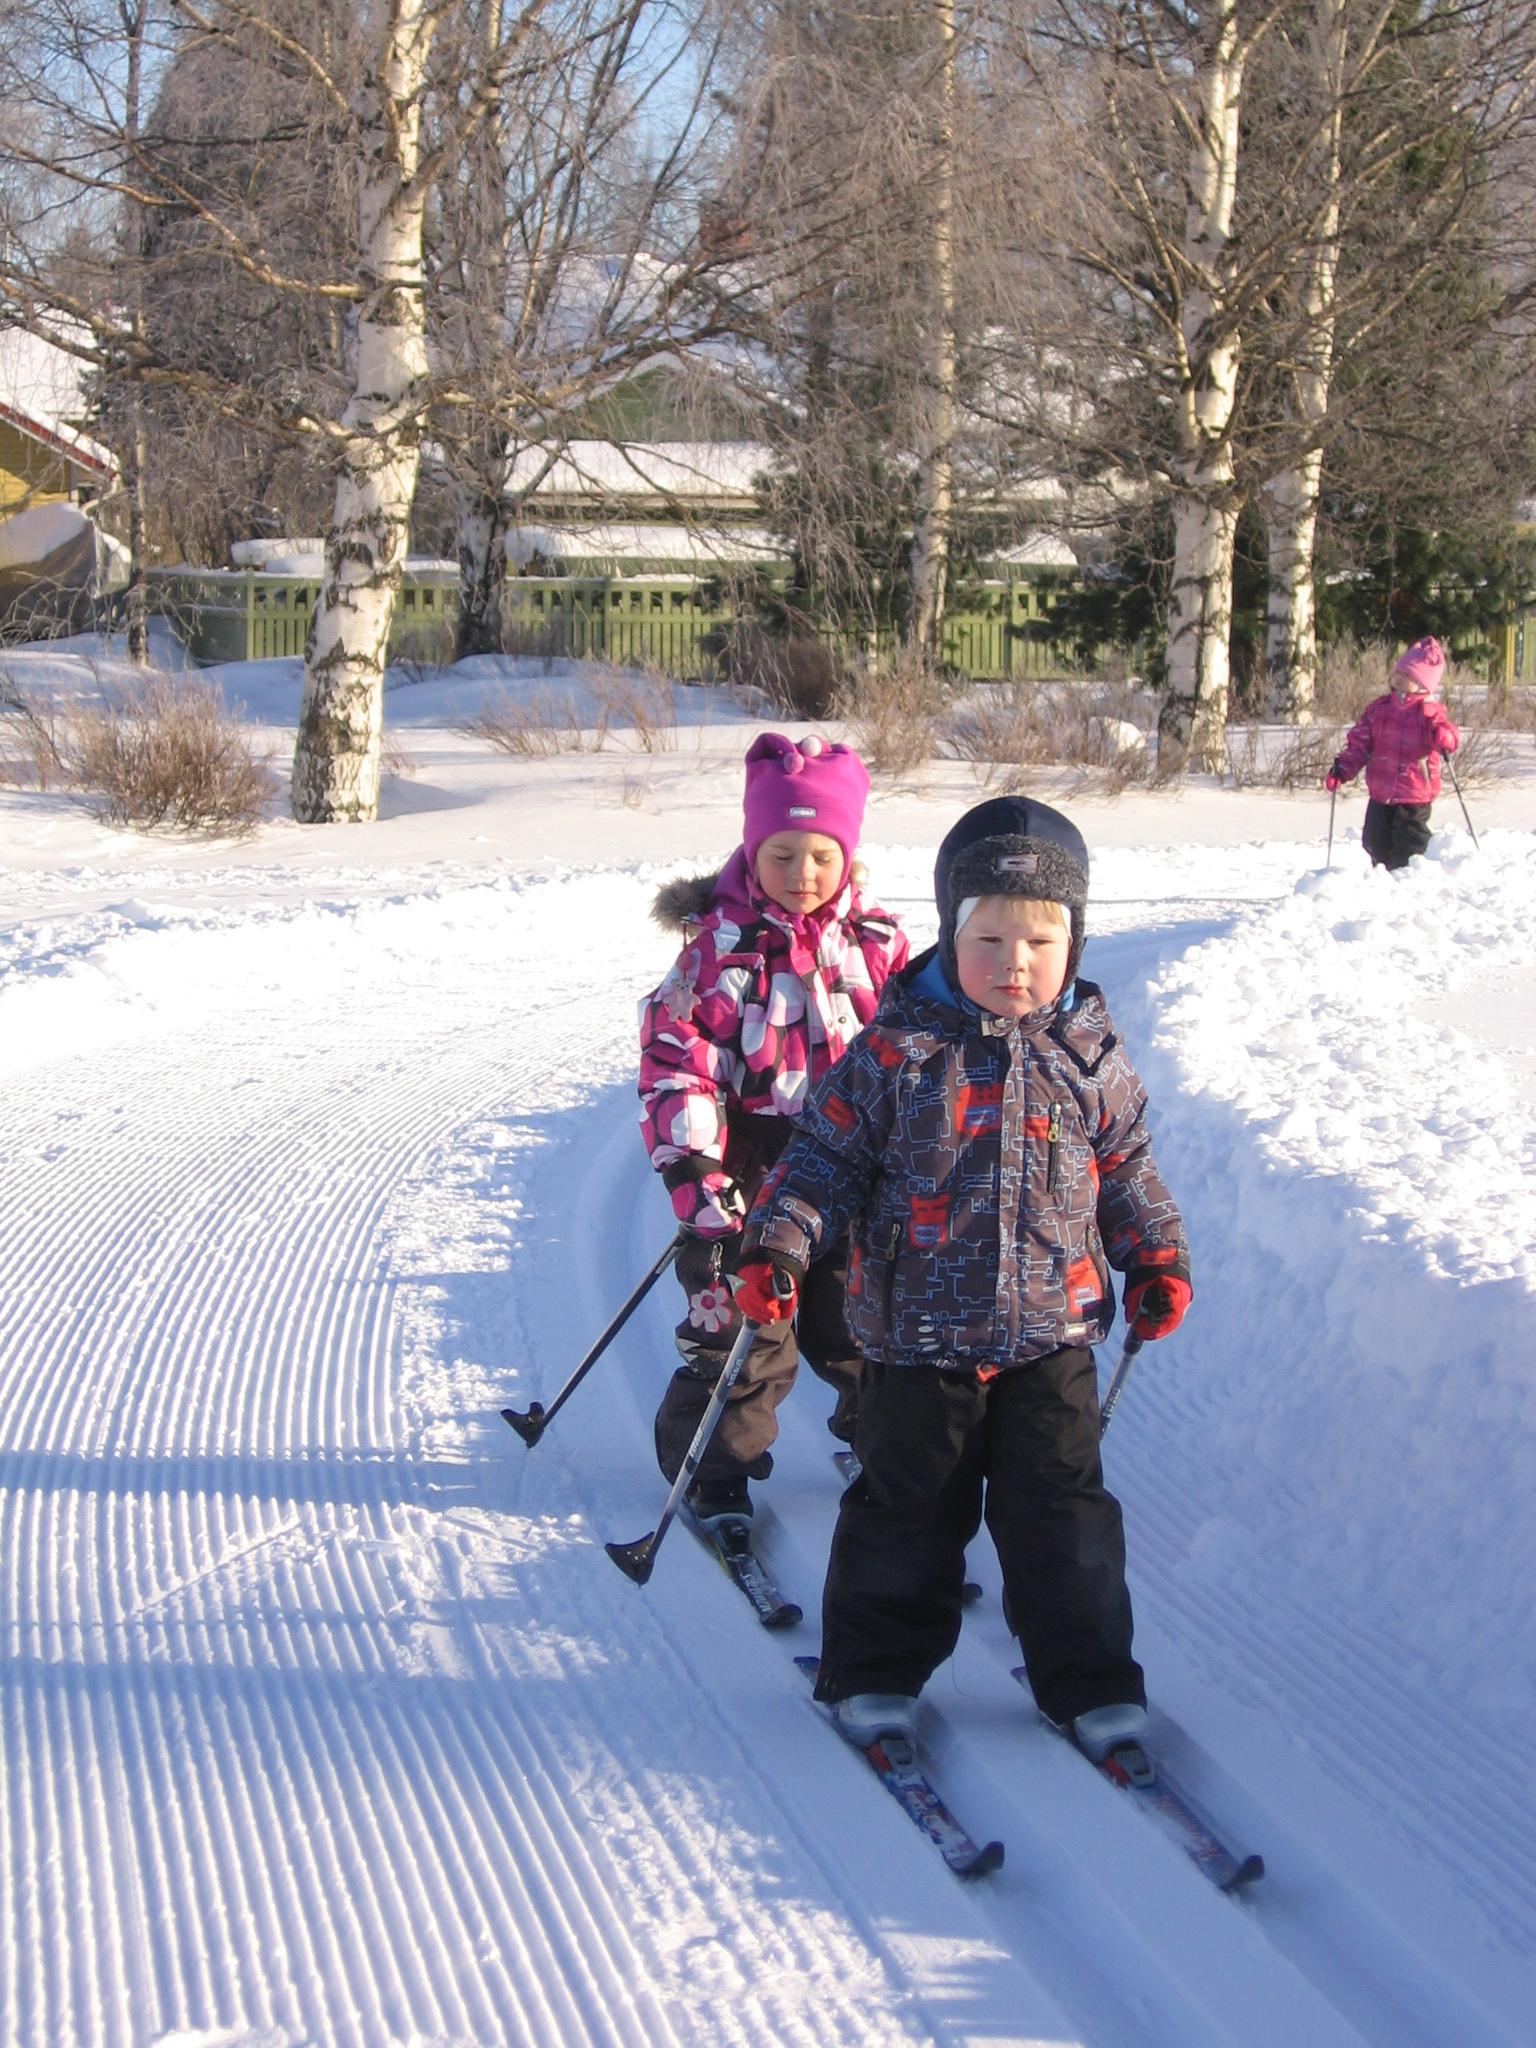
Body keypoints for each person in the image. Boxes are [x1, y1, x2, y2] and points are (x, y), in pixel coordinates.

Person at [734, 794, 1190, 1762]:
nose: (1013, 962)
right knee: (908, 1513)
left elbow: (1129, 1167)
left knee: (1063, 1518)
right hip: (913, 1338)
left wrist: (1153, 1252)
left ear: (1076, 938)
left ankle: (1090, 1681)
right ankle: (874, 1672)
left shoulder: (1091, 1055)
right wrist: (777, 1248)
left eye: (1039, 939)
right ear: (950, 931)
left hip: (1052, 1335)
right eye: (988, 937)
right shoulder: (896, 1052)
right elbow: (822, 1164)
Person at [638, 731, 909, 1523]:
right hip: (751, 1169)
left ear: (847, 853)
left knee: (867, 1325)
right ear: (753, 850)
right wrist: (698, 1183)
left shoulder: (881, 946)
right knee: (750, 1331)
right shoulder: (715, 959)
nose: (802, 875)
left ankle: (888, 1453)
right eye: (781, 854)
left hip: (855, 1174)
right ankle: (714, 1468)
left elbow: (914, 1056)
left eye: (821, 855)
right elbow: (677, 1065)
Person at [1326, 636, 1461, 871]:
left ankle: (1408, 878)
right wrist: (1343, 769)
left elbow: (1449, 739)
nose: (1399, 678)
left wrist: (1443, 737)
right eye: (1398, 672)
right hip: (1381, 790)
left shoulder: (1429, 712)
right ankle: (1381, 873)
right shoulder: (1379, 710)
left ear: (1422, 684)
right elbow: (1359, 744)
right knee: (1374, 839)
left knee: (1409, 844)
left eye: (1407, 676)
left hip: (1414, 793)